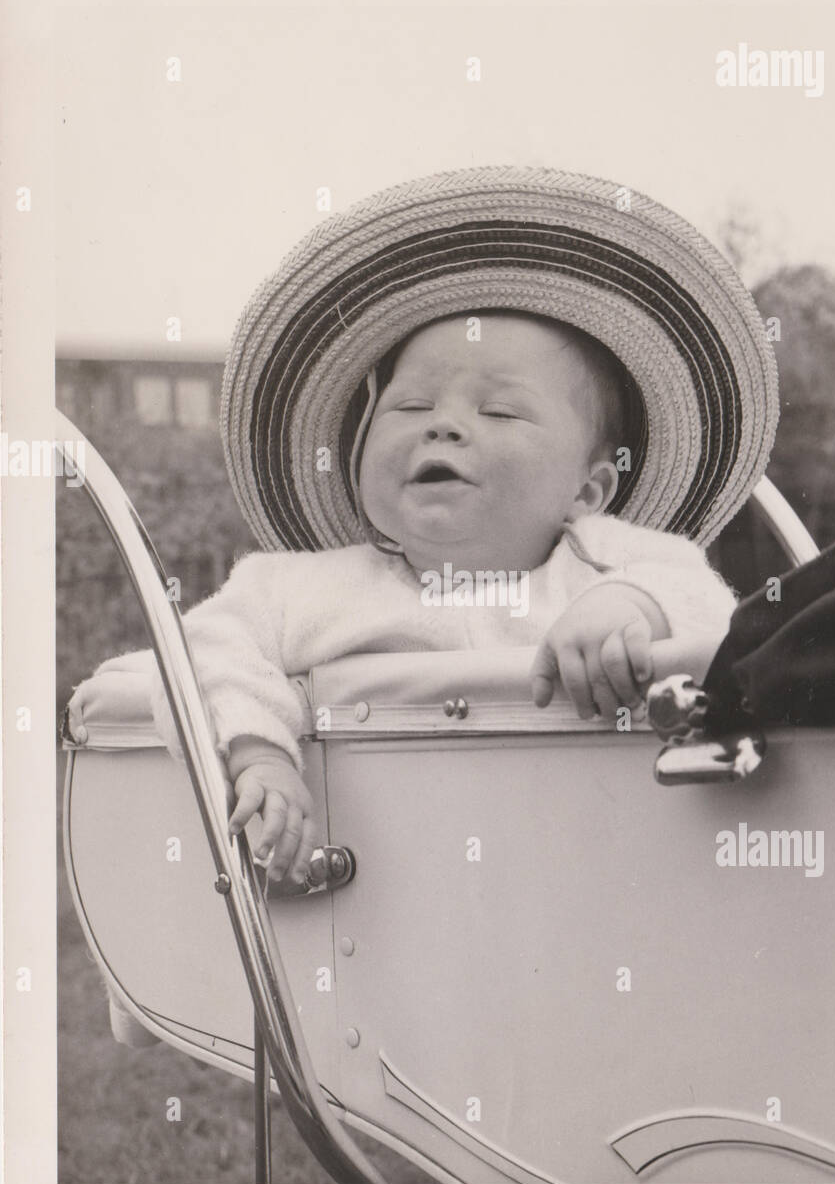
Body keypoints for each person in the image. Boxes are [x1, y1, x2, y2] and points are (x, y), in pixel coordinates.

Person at [88, 166, 781, 897]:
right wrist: (259, 752)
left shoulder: (612, 562)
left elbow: (718, 618)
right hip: (384, 910)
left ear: (589, 490)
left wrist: (632, 609)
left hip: (597, 889)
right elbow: (198, 649)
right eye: (410, 405)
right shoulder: (298, 587)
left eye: (501, 412)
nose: (444, 424)